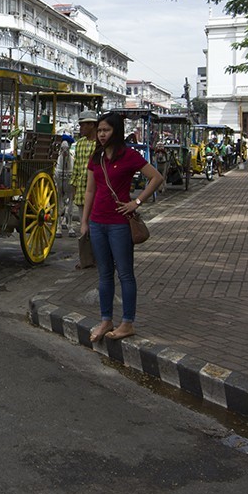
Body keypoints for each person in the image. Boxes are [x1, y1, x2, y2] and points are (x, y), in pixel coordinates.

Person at [81, 112, 164, 342]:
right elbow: (90, 191)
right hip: (98, 223)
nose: (101, 134)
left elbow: (156, 178)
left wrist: (135, 202)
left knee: (125, 274)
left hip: (119, 225)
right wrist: (85, 221)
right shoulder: (96, 157)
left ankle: (127, 323)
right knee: (104, 275)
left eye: (106, 130)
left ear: (116, 131)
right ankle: (106, 319)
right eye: (99, 131)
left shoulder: (129, 155)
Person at [69, 111, 98, 233]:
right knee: (84, 227)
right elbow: (76, 167)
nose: (80, 128)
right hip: (81, 192)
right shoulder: (80, 143)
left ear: (91, 125)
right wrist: (74, 186)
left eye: (83, 125)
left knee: (96, 228)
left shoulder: (100, 144)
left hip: (97, 193)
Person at [54, 136, 75, 237]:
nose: (65, 152)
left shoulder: (72, 160)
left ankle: (70, 224)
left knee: (70, 200)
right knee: (59, 200)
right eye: (62, 149)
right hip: (60, 181)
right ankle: (58, 225)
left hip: (69, 182)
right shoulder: (58, 160)